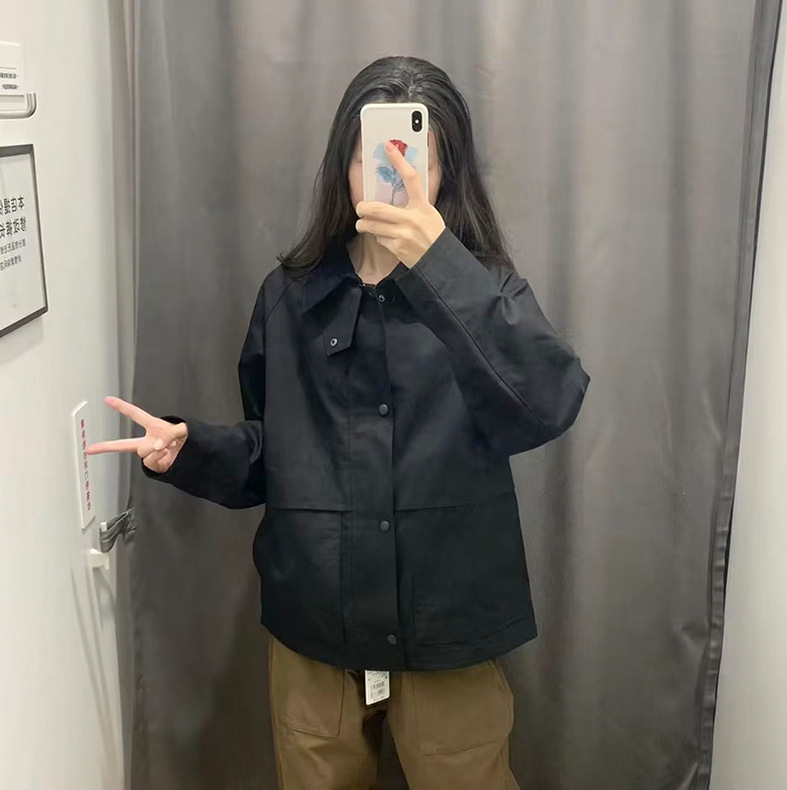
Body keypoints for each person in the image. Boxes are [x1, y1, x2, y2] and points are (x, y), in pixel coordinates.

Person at [88, 55, 590, 790]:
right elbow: (275, 451)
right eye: (370, 156)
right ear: (342, 166)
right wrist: (191, 448)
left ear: (446, 172)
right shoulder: (289, 297)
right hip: (317, 626)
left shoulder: (487, 292)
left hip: (447, 622)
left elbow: (548, 402)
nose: (389, 174)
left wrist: (440, 266)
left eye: (415, 158)